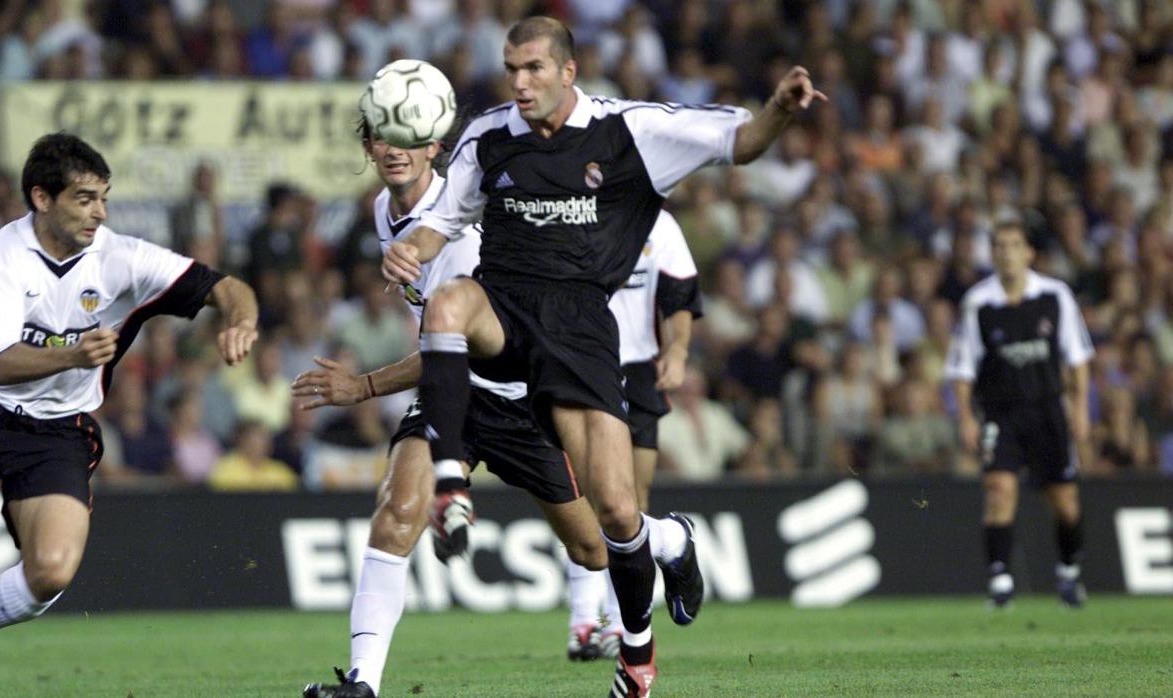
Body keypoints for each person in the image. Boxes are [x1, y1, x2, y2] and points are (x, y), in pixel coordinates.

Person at [381, 17, 823, 696]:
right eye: (510, 69)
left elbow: (739, 142)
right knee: (446, 308)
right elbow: (444, 223)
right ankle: (450, 481)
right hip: (502, 309)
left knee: (616, 512)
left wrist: (778, 112)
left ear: (567, 70)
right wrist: (412, 249)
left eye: (532, 69)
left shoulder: (631, 131)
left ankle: (642, 644)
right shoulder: (488, 136)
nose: (519, 83)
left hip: (580, 330)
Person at [0, 133, 259, 697]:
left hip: (58, 430)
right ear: (41, 198)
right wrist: (73, 354)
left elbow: (228, 286)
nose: (98, 212)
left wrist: (240, 320)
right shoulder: (4, 256)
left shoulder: (123, 258)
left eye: (103, 197)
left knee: (51, 571)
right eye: (83, 198)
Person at [296, 107, 607, 698]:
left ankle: (667, 542)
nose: (394, 150)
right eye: (382, 138)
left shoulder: (458, 230)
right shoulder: (383, 213)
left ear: (436, 146)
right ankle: (363, 683)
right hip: (451, 397)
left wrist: (362, 387)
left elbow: (454, 345)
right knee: (395, 516)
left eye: (409, 139)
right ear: (368, 146)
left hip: (516, 398)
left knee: (592, 544)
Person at [563, 209, 701, 662]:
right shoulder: (562, 212)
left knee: (632, 500)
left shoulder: (657, 223)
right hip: (580, 367)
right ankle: (587, 623)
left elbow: (679, 297)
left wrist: (677, 350)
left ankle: (621, 623)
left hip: (638, 368)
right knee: (582, 493)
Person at [945, 220, 1093, 609]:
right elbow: (962, 369)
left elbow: (1077, 360)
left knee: (1064, 501)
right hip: (1000, 412)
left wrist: (1079, 409)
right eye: (999, 245)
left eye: (1014, 244)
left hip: (1047, 410)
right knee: (999, 491)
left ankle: (1068, 571)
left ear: (1029, 253)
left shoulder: (1054, 296)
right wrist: (965, 417)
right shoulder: (978, 303)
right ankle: (999, 579)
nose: (1006, 252)